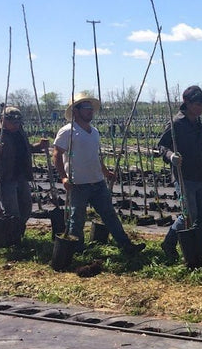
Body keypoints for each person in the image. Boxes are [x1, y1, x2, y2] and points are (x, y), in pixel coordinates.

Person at [52, 93, 144, 255]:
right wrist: (64, 177)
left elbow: (95, 156)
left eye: (91, 108)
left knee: (109, 214)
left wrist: (105, 172)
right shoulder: (68, 131)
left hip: (97, 182)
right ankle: (77, 250)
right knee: (77, 218)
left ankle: (126, 246)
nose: (90, 111)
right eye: (86, 108)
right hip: (78, 184)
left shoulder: (94, 132)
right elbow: (56, 154)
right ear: (75, 111)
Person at [156, 85, 202, 263]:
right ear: (186, 102)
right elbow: (161, 146)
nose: (200, 106)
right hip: (184, 176)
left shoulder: (198, 124)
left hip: (201, 175)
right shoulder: (176, 123)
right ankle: (169, 243)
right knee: (188, 214)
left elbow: (200, 150)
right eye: (197, 103)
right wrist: (171, 156)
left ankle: (198, 249)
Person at [0, 106, 49, 238]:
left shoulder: (20, 132)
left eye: (18, 122)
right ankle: (13, 239)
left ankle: (17, 233)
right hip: (5, 178)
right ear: (3, 119)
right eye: (13, 122)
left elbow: (27, 149)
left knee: (26, 208)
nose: (16, 125)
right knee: (12, 211)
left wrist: (39, 146)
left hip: (21, 176)